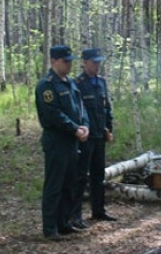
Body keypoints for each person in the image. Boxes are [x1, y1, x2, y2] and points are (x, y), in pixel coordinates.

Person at [35, 45, 90, 241]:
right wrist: (74, 128)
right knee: (54, 184)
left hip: (72, 141)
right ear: (53, 61)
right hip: (57, 140)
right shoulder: (47, 86)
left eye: (70, 61)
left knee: (70, 184)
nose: (69, 64)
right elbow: (53, 115)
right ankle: (50, 228)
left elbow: (80, 107)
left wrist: (84, 125)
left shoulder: (71, 83)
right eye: (65, 61)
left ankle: (64, 223)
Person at [74, 48, 116, 224]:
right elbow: (77, 111)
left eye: (99, 62)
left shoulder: (101, 82)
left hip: (100, 135)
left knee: (98, 176)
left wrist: (109, 128)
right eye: (94, 62)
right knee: (81, 176)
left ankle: (98, 211)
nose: (97, 65)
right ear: (85, 62)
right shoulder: (77, 83)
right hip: (85, 137)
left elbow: (106, 108)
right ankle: (75, 216)